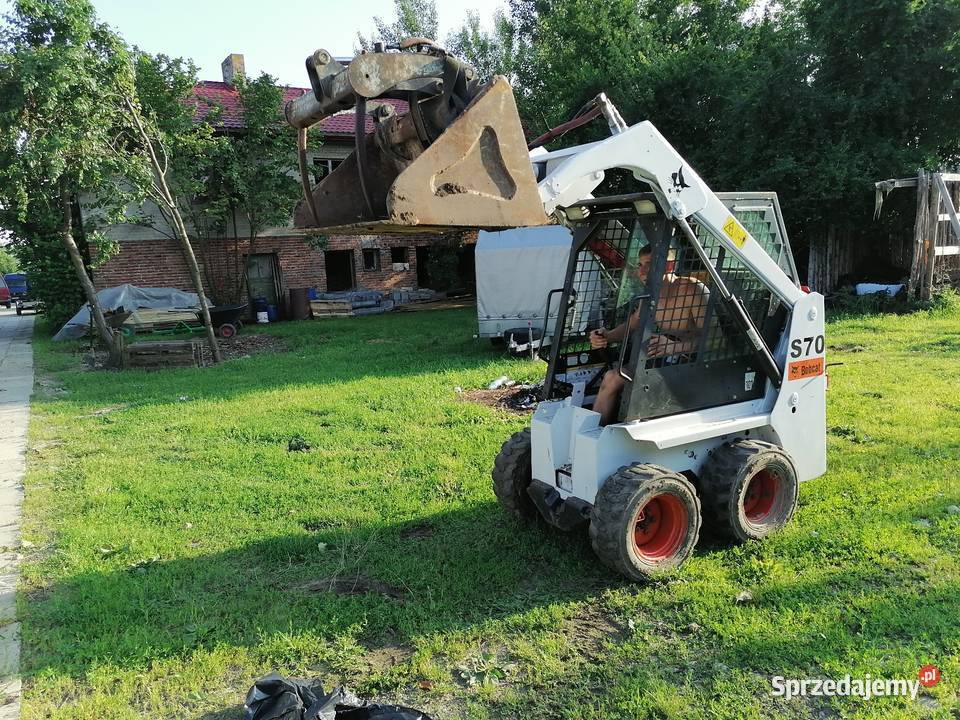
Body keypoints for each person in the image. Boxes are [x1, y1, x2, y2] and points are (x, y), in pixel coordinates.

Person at [589, 245, 710, 425]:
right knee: (611, 377)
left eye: (649, 264)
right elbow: (631, 324)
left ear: (669, 266)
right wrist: (606, 336)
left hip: (694, 366)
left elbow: (713, 341)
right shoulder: (650, 295)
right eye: (640, 265)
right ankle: (594, 434)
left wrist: (674, 347)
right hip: (661, 362)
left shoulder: (693, 290)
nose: (642, 271)